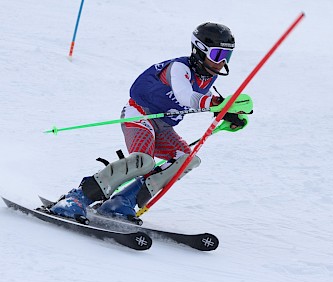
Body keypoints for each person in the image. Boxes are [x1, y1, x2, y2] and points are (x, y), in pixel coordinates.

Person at [49, 22, 253, 223]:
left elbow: (203, 96)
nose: (221, 62)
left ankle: (122, 202)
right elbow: (185, 96)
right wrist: (218, 103)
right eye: (217, 55)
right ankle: (77, 197)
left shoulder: (207, 76)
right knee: (143, 161)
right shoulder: (179, 67)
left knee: (187, 160)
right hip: (139, 114)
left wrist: (227, 114)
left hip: (162, 125)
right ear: (199, 50)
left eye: (227, 56)